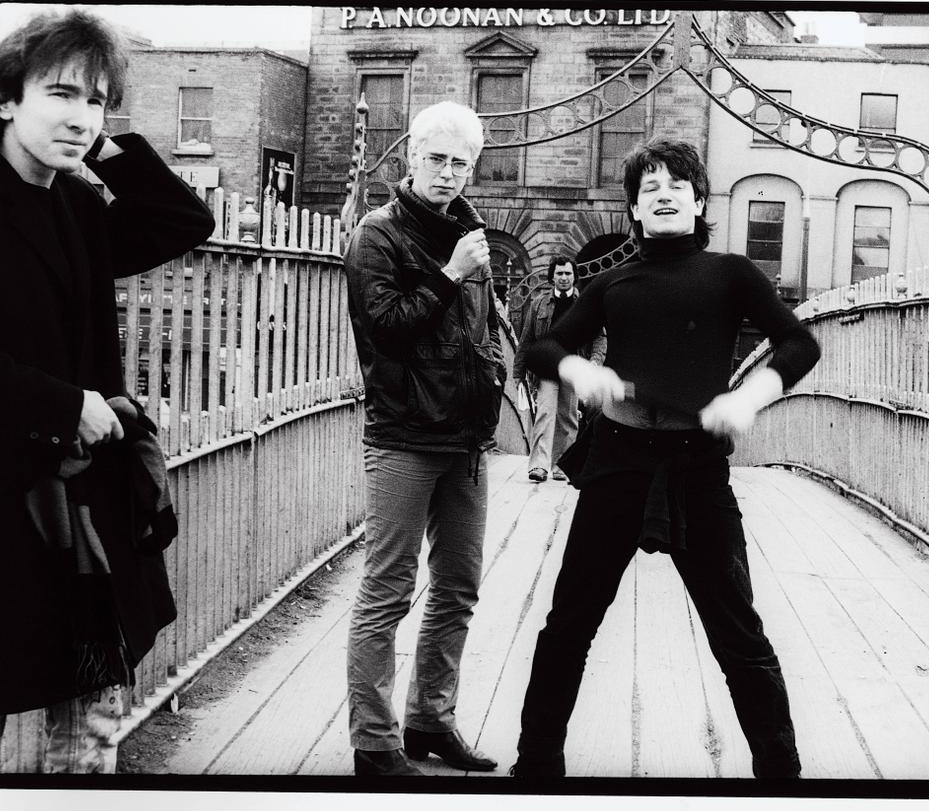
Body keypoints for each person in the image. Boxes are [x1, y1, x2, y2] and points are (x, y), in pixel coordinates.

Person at [510, 138, 820, 778]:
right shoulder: (610, 283)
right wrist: (579, 371)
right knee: (568, 624)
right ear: (635, 209)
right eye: (649, 187)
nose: (664, 193)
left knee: (736, 630)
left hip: (696, 469)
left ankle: (781, 775)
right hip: (617, 466)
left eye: (677, 184)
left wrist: (750, 396)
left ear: (699, 199)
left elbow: (798, 342)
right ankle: (535, 767)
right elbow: (540, 351)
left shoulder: (731, 274)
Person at [0, 8, 214, 774]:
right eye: (62, 94)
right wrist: (60, 404)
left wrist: (102, 148)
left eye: (97, 99)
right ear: (5, 97)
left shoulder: (77, 202)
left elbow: (185, 218)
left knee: (90, 718)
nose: (82, 117)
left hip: (83, 507)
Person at [342, 101, 505, 777]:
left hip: (465, 439)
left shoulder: (467, 230)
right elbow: (385, 327)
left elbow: (481, 328)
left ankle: (429, 720)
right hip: (404, 435)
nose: (447, 173)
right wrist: (450, 275)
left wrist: (498, 365)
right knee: (388, 587)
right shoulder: (377, 236)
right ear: (411, 157)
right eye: (436, 158)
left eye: (459, 162)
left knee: (459, 584)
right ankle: (373, 743)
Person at [514, 255, 606, 483]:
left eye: (567, 273)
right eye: (559, 273)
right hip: (546, 367)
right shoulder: (539, 304)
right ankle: (538, 466)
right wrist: (518, 373)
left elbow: (599, 338)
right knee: (545, 413)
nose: (563, 278)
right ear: (552, 276)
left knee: (568, 416)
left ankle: (562, 466)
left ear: (574, 277)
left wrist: (594, 364)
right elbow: (526, 340)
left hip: (573, 366)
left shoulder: (585, 303)